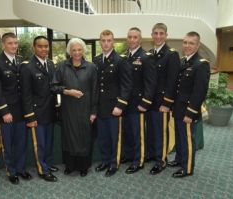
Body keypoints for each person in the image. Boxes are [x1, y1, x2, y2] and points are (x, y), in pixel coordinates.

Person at [0, 32, 31, 184]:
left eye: (15, 43)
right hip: (6, 112)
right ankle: (12, 172)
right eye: (10, 43)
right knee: (8, 145)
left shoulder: (20, 61)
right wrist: (4, 111)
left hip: (21, 111)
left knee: (21, 142)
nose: (14, 46)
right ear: (3, 45)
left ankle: (21, 169)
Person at [52, 38, 97, 177]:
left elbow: (95, 90)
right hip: (68, 110)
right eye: (74, 50)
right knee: (69, 138)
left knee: (84, 138)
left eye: (79, 49)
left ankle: (84, 167)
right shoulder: (61, 66)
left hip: (85, 109)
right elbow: (53, 86)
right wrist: (67, 91)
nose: (77, 52)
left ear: (83, 50)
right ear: (69, 52)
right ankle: (70, 166)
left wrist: (93, 112)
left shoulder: (91, 67)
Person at [168, 31, 210, 178]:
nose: (187, 46)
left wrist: (191, 113)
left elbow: (199, 92)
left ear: (197, 46)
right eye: (185, 42)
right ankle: (179, 159)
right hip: (178, 108)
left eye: (191, 43)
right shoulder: (182, 61)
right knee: (180, 137)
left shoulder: (201, 65)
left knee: (188, 140)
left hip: (188, 110)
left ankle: (188, 167)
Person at [93, 30, 132, 177]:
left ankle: (114, 163)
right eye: (103, 40)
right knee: (103, 137)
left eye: (109, 40)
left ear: (113, 41)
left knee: (115, 137)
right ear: (100, 42)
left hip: (114, 107)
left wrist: (120, 105)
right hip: (101, 107)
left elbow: (127, 86)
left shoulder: (121, 61)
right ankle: (104, 160)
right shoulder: (96, 60)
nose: (106, 43)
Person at [20, 36, 58, 182]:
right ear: (34, 48)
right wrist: (30, 116)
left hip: (50, 110)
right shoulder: (27, 67)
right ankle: (43, 170)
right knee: (40, 144)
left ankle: (47, 164)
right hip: (36, 113)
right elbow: (26, 94)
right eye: (40, 46)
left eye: (46, 46)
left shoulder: (50, 64)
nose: (44, 49)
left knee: (48, 141)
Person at [146, 23, 181, 175]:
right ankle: (153, 154)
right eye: (155, 33)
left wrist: (167, 103)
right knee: (152, 131)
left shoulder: (171, 54)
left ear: (166, 35)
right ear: (152, 35)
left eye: (161, 33)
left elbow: (172, 81)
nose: (158, 36)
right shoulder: (149, 53)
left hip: (162, 102)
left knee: (161, 132)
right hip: (149, 101)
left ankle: (161, 161)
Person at [122, 27, 157, 174]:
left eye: (135, 37)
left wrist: (145, 103)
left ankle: (139, 160)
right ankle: (130, 155)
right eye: (129, 37)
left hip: (138, 104)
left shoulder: (146, 57)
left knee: (139, 134)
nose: (132, 40)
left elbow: (151, 83)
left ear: (140, 39)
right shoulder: (124, 57)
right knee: (128, 132)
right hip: (126, 103)